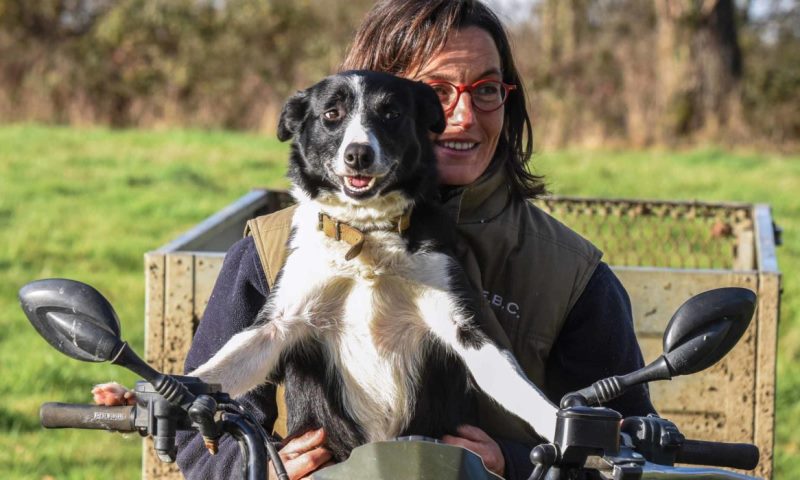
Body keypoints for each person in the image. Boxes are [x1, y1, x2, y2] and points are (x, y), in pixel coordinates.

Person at [167, 1, 656, 479]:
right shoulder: (271, 251)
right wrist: (262, 469)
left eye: (486, 89)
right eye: (438, 92)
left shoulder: (570, 275)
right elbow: (199, 435)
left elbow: (626, 452)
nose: (462, 116)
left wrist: (513, 462)